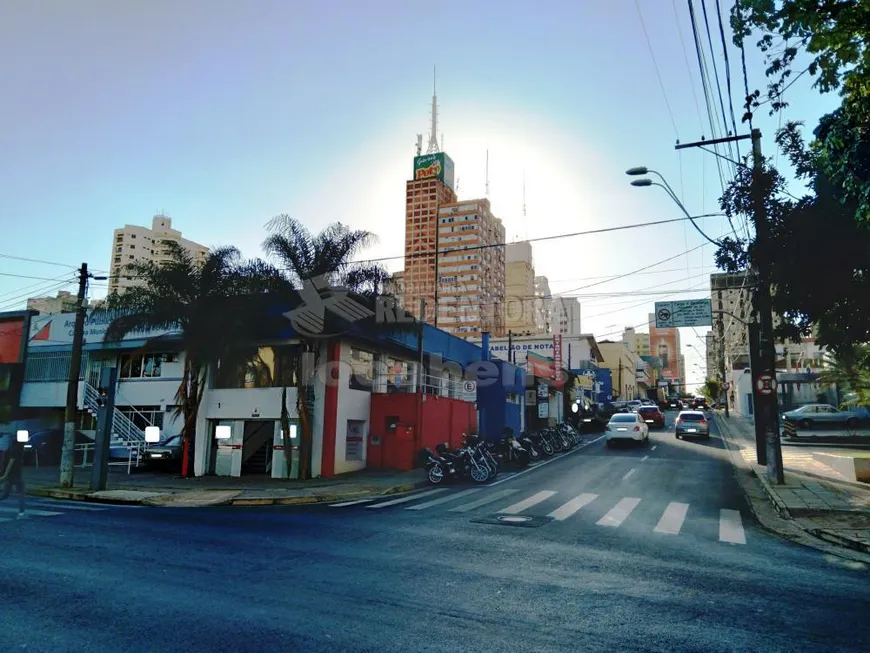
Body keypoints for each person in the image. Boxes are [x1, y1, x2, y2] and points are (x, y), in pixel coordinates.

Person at [0, 437, 27, 518]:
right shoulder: (16, 450)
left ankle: (22, 512)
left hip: (13, 475)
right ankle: (21, 512)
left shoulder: (11, 449)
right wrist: (5, 475)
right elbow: (10, 463)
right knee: (20, 494)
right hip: (13, 475)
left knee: (5, 494)